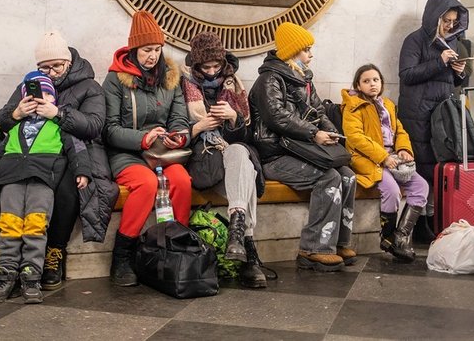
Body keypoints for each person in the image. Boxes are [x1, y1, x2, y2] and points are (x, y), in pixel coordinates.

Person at [0, 31, 117, 291]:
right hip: (33, 151)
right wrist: (16, 113)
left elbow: (93, 126)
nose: (51, 73)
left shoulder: (89, 87)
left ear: (68, 63)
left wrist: (58, 113)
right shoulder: (30, 84)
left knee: (70, 186)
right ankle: (1, 258)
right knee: (0, 180)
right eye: (44, 67)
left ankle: (53, 253)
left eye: (56, 66)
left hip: (74, 151)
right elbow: (2, 121)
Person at [250, 22, 357, 271]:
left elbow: (319, 111)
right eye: (306, 49)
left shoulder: (303, 79)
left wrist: (332, 133)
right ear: (291, 52)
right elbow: (276, 117)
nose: (311, 54)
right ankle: (313, 249)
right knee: (329, 178)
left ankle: (338, 242)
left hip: (302, 150)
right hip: (275, 156)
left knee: (349, 177)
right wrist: (314, 133)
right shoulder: (269, 80)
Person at [0, 72, 90, 304]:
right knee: (9, 226)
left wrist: (82, 172)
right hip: (11, 180)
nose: (41, 98)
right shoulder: (15, 126)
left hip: (42, 181)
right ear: (22, 101)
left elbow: (77, 149)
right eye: (33, 95)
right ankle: (6, 276)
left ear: (54, 100)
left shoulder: (58, 126)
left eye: (47, 94)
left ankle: (31, 277)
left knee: (36, 226)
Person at [102, 10, 191, 286]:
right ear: (134, 49)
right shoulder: (116, 80)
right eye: (146, 50)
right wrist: (142, 138)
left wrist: (179, 136)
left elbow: (179, 118)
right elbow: (109, 129)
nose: (152, 56)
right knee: (146, 184)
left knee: (182, 181)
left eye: (157, 49)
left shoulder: (171, 78)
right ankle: (123, 255)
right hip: (128, 153)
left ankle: (176, 248)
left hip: (162, 152)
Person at [182, 31, 267, 288]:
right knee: (248, 174)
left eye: (216, 66)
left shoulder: (233, 84)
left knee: (241, 153)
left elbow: (246, 136)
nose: (211, 72)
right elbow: (173, 128)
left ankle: (237, 233)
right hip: (203, 159)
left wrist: (233, 118)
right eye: (205, 67)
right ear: (196, 65)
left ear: (223, 63)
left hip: (231, 155)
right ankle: (248, 250)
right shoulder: (183, 85)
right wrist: (198, 126)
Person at [396, 0, 469, 239]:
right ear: (434, 18)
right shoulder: (415, 40)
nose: (450, 25)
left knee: (438, 165)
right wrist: (439, 62)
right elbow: (406, 74)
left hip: (441, 115)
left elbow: (452, 81)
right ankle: (418, 223)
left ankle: (431, 218)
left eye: (453, 21)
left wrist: (459, 74)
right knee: (423, 167)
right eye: (446, 20)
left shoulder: (454, 44)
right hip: (417, 114)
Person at [342, 64, 429, 262]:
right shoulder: (353, 105)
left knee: (421, 186)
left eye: (376, 80)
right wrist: (383, 157)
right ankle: (388, 236)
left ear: (381, 83)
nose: (372, 84)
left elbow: (400, 131)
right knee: (391, 189)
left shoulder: (387, 105)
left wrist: (404, 149)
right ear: (358, 84)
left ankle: (400, 237)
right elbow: (355, 137)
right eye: (366, 81)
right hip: (367, 159)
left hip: (392, 158)